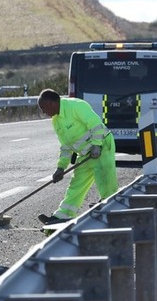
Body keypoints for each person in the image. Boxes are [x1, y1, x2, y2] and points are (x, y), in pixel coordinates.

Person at [36, 88, 118, 225]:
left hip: (102, 146)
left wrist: (97, 145)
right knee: (76, 185)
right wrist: (61, 167)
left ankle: (113, 213)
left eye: (43, 108)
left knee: (105, 181)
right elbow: (66, 146)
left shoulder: (75, 106)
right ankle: (62, 216)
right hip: (85, 154)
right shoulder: (56, 121)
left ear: (51, 103)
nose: (44, 112)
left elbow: (96, 124)